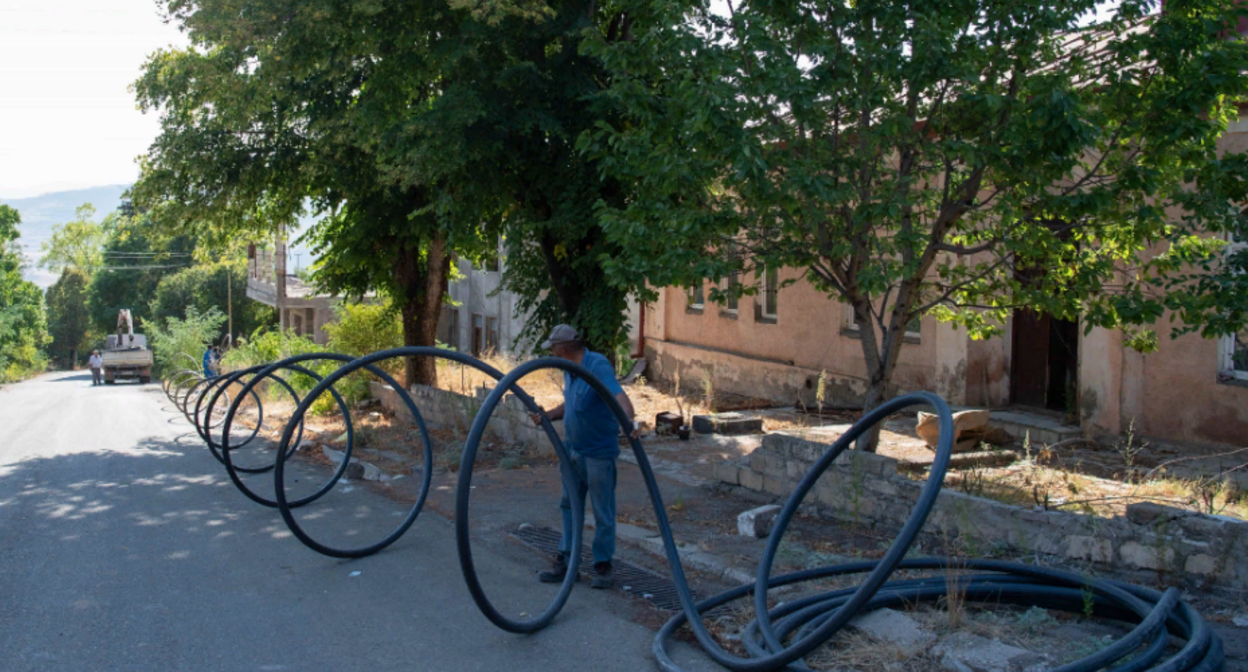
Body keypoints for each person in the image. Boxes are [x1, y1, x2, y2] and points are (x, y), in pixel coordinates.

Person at [529, 324, 640, 589]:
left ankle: (602, 565)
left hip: (598, 454)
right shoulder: (571, 371)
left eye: (553, 349)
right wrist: (549, 416)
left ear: (563, 349)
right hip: (573, 451)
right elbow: (573, 404)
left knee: (602, 510)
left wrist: (630, 420)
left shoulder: (596, 365)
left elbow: (618, 395)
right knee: (569, 505)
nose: (552, 354)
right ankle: (567, 561)